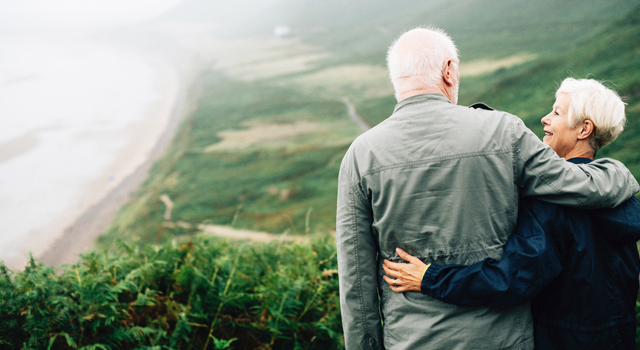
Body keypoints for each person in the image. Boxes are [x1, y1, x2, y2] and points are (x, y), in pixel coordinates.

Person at [336, 27, 639, 350]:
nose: (545, 119)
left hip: (412, 340)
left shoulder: (360, 154)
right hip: (508, 340)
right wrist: (619, 174)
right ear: (449, 70)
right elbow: (577, 184)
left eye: (556, 112)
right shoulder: (504, 132)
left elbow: (356, 278)